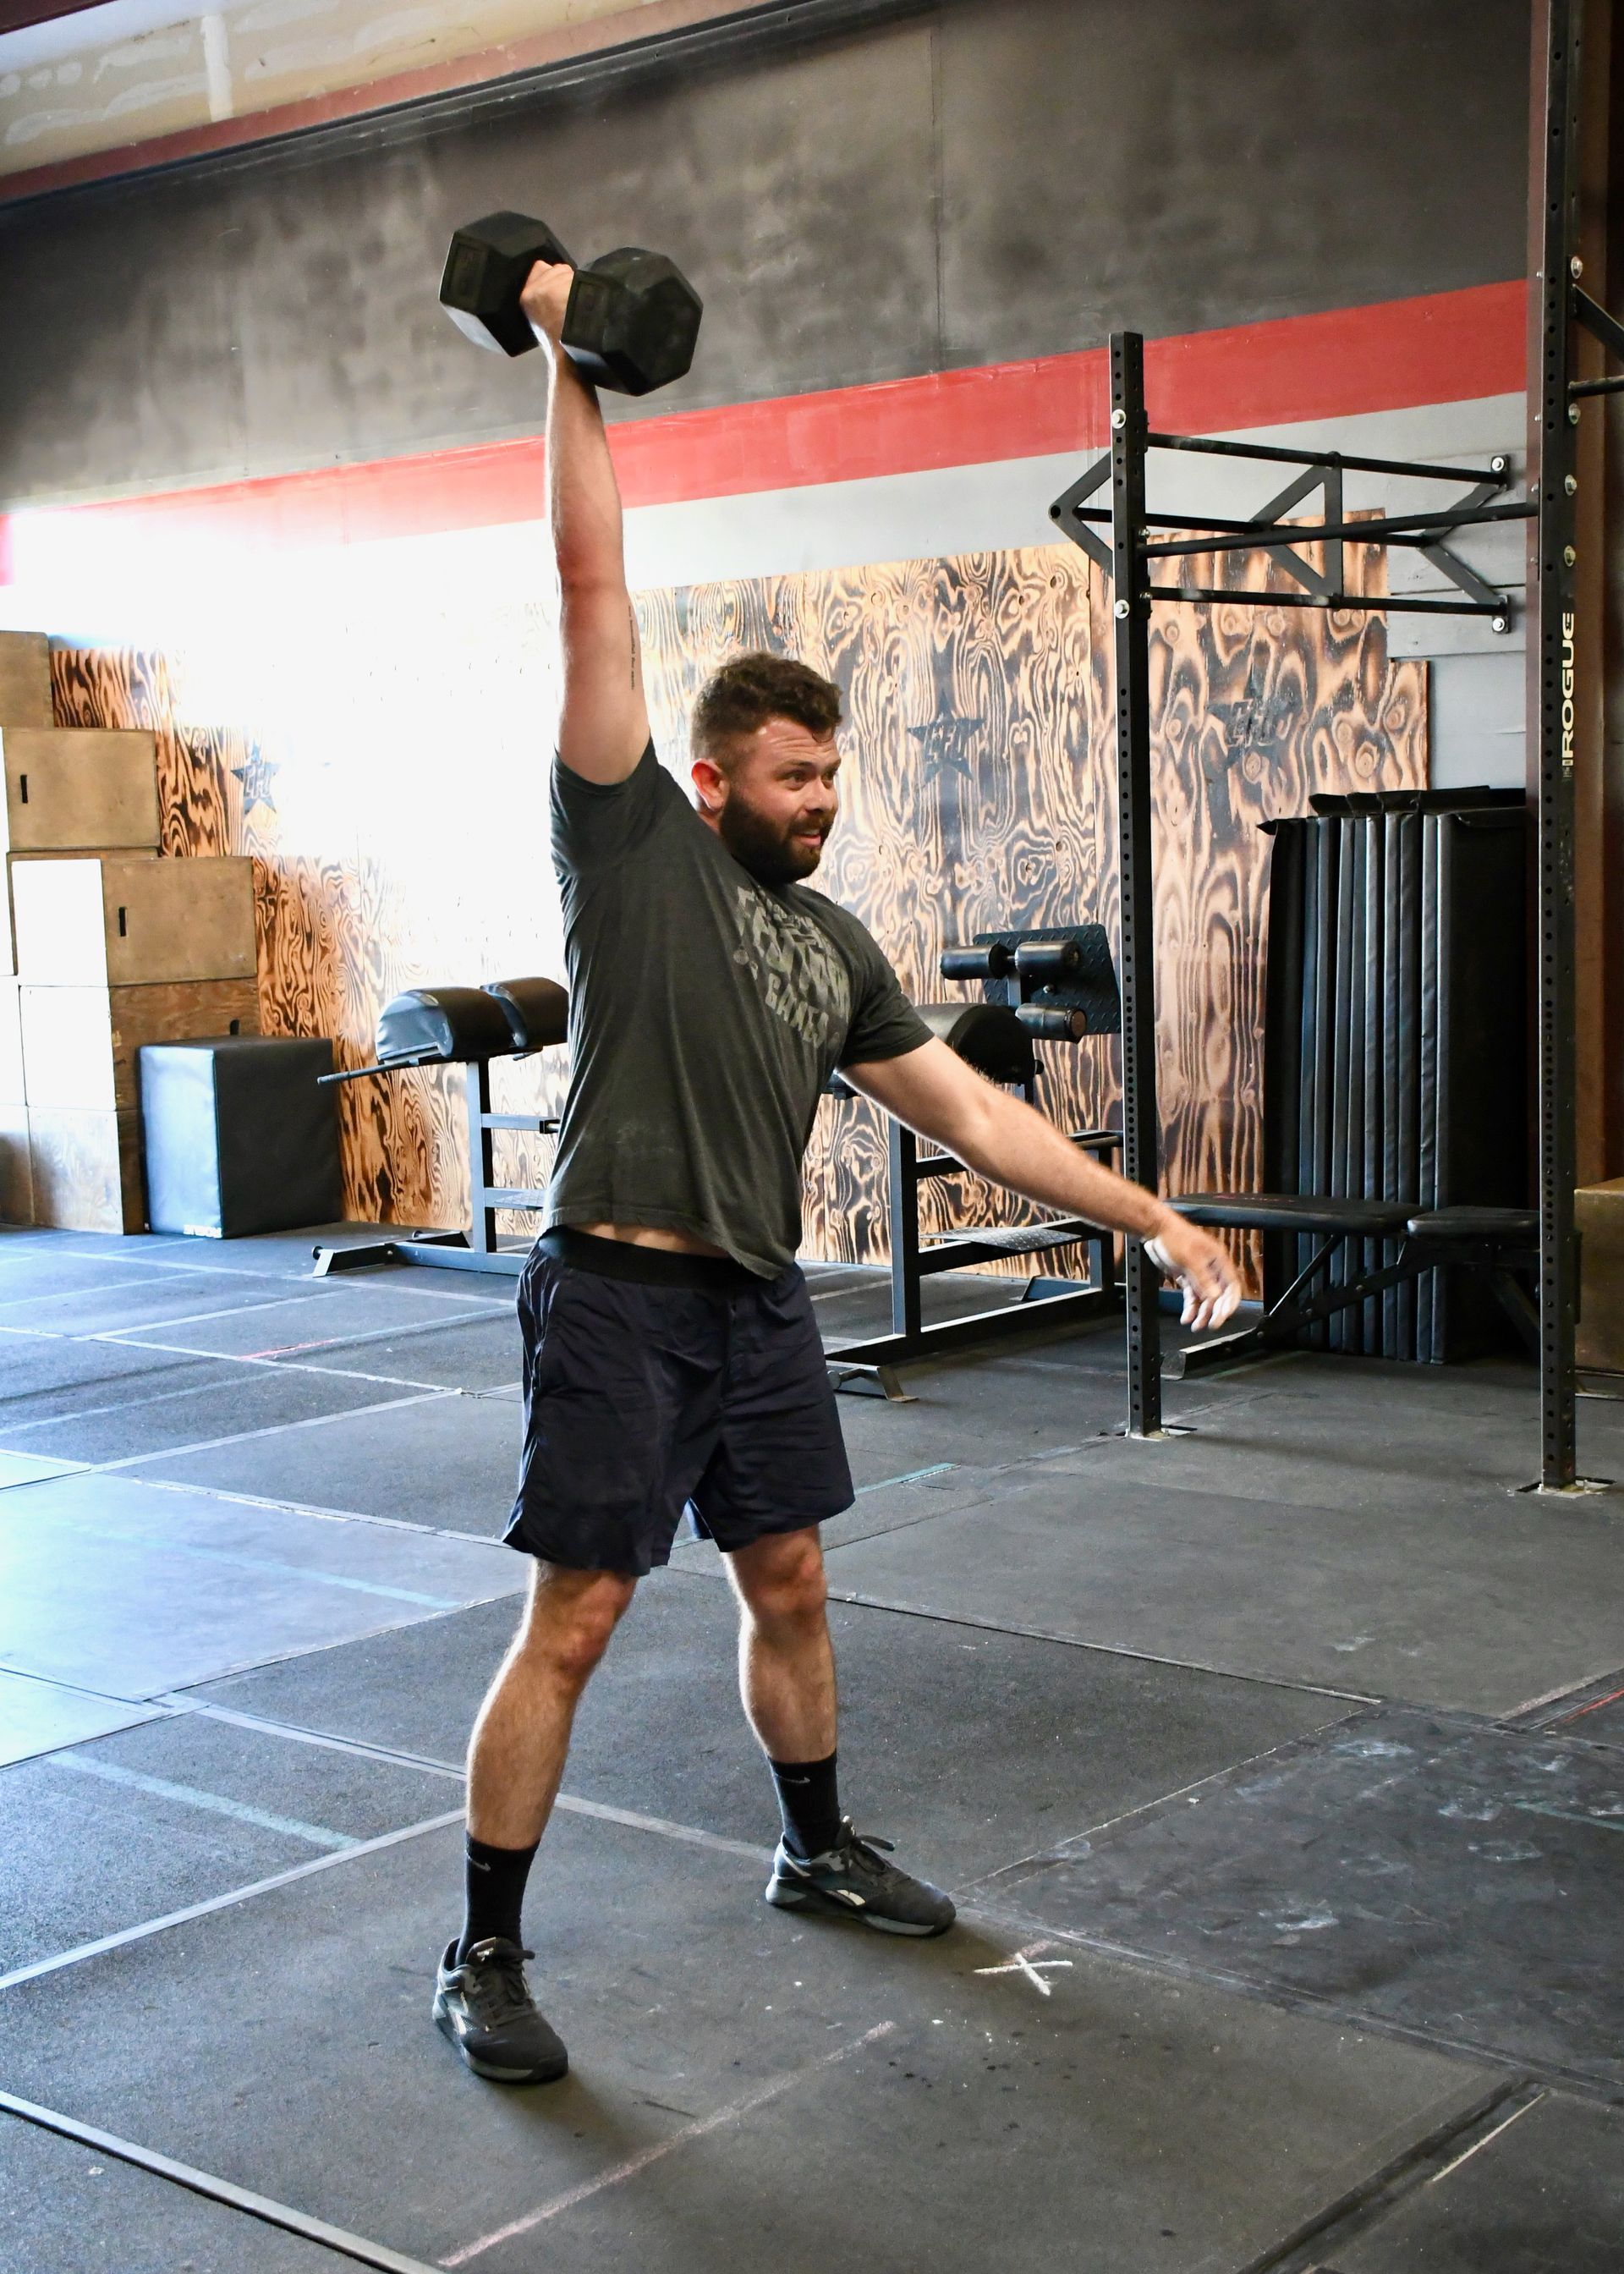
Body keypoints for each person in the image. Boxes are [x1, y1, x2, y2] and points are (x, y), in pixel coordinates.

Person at [432, 259, 1243, 2086]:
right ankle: (481, 1950)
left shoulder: (835, 944)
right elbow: (588, 592)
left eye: (832, 779)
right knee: (576, 1618)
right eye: (795, 778)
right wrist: (569, 367)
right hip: (619, 1293)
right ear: (711, 777)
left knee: (787, 1579)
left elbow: (975, 1117)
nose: (823, 802)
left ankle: (812, 1845)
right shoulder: (631, 840)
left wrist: (1157, 1214)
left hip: (753, 1301)